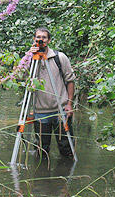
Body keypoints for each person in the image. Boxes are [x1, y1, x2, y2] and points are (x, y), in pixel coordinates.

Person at [29, 27, 76, 159]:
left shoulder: (59, 57)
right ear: (34, 39)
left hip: (60, 110)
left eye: (44, 37)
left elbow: (70, 81)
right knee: (41, 151)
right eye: (38, 37)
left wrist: (69, 104)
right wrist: (30, 57)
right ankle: (41, 177)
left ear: (48, 40)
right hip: (40, 112)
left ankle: (66, 176)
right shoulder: (30, 59)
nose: (41, 40)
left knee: (67, 149)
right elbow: (22, 78)